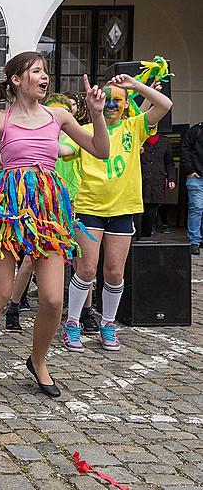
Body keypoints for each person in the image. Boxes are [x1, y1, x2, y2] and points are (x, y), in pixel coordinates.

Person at [0, 52, 109, 398]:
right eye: (36, 71)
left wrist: (96, 114)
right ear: (17, 80)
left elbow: (101, 150)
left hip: (48, 211)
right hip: (8, 210)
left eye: (46, 71)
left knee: (53, 299)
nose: (44, 76)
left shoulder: (59, 116)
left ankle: (38, 360)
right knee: (1, 293)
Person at [61, 74, 172, 353]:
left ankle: (108, 323)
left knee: (114, 272)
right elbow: (64, 150)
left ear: (126, 105)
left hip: (123, 208)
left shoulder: (135, 126)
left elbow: (165, 104)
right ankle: (72, 322)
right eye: (107, 100)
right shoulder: (85, 129)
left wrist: (135, 86)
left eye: (117, 101)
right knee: (86, 268)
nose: (111, 105)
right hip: (89, 208)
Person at [6, 92, 84, 332]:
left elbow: (93, 150)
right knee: (30, 259)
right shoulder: (48, 140)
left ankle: (82, 312)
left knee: (81, 260)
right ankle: (14, 306)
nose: (68, 113)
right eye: (62, 109)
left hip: (68, 204)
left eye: (71, 109)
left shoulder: (71, 139)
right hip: (38, 205)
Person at [140, 131, 175, 238]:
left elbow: (169, 162)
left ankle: (146, 237)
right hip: (140, 180)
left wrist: (171, 178)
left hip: (157, 181)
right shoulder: (139, 140)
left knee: (151, 212)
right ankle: (136, 237)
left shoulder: (164, 141)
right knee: (138, 213)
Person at [180, 120, 203, 253]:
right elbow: (184, 149)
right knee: (197, 208)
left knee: (197, 209)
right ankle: (194, 241)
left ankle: (197, 240)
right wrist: (189, 171)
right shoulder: (196, 130)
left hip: (196, 175)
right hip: (196, 177)